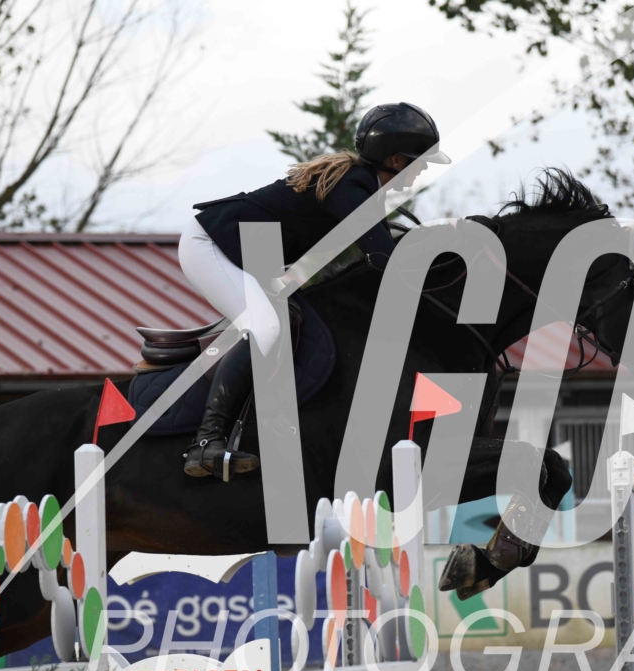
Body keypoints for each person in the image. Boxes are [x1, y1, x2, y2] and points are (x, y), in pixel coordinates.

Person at [178, 102, 450, 478]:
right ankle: (206, 442)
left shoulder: (360, 185)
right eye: (420, 163)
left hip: (239, 252)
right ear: (397, 160)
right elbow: (382, 256)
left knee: (292, 319)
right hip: (209, 245)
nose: (422, 171)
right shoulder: (352, 185)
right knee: (266, 327)